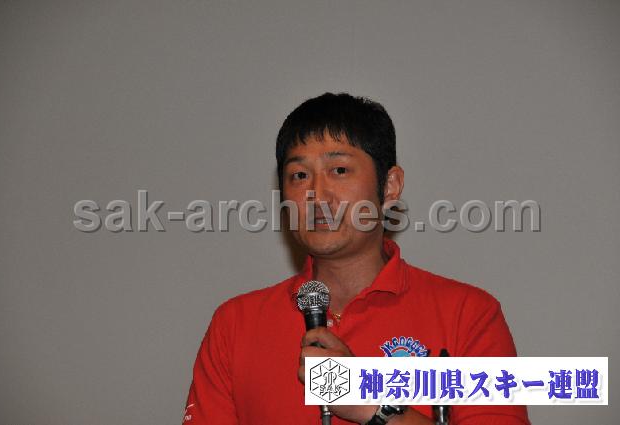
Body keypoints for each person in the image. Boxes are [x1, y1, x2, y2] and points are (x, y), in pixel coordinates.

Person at [182, 93, 530, 424]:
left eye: (339, 170)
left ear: (389, 186)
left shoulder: (467, 314)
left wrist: (373, 405)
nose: (317, 196)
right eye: (299, 175)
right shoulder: (236, 324)